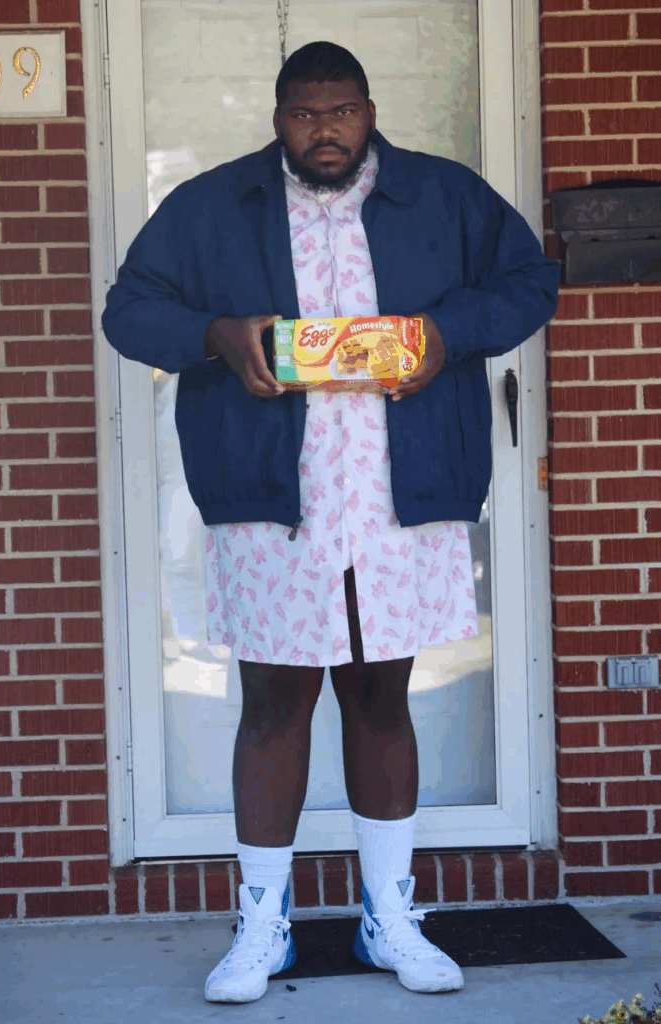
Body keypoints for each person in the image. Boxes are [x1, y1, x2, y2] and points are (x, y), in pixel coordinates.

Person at [102, 41, 559, 1004]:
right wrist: (215, 338)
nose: (325, 130)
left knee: (381, 701)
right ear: (277, 118)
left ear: (368, 109)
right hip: (273, 502)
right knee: (272, 703)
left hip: (401, 500)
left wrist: (446, 334)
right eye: (305, 114)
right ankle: (260, 925)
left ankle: (388, 918)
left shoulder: (444, 197)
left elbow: (529, 282)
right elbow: (130, 308)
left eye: (342, 110)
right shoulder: (210, 207)